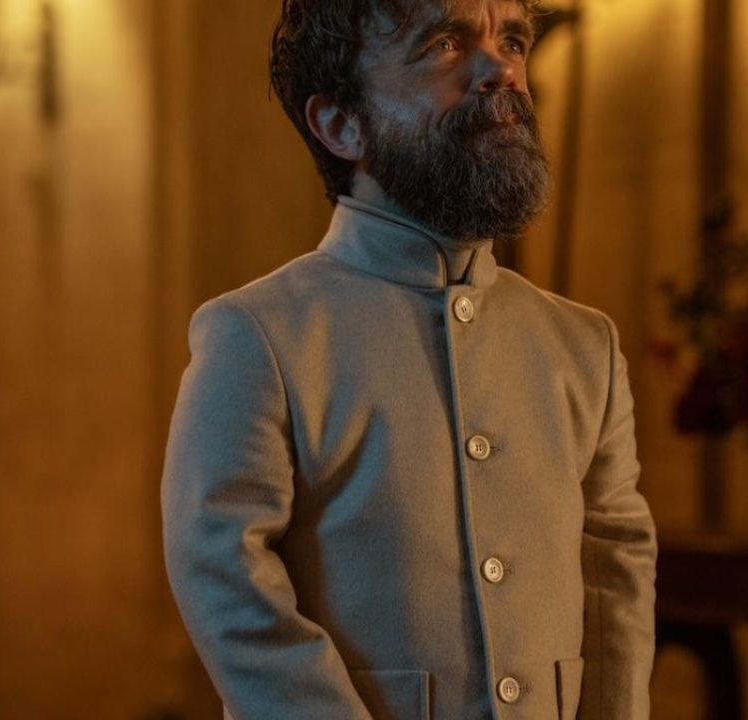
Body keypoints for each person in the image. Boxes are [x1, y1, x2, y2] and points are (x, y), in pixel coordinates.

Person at [161, 0, 657, 717]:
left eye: (513, 41)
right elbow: (225, 579)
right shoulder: (258, 337)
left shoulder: (585, 347)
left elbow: (616, 575)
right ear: (342, 124)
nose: (501, 71)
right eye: (446, 43)